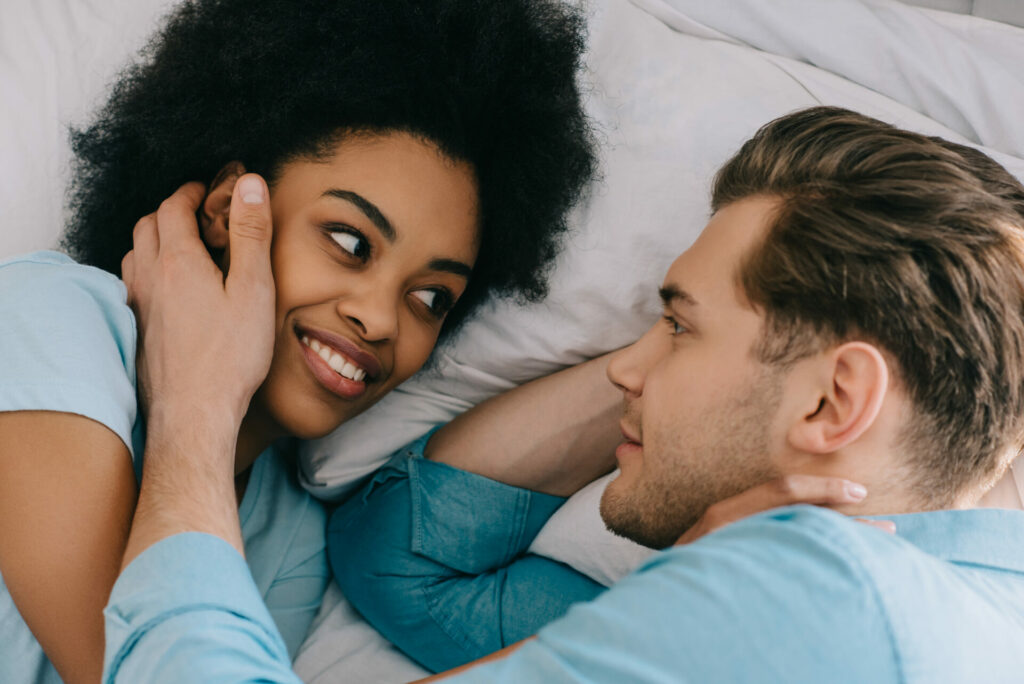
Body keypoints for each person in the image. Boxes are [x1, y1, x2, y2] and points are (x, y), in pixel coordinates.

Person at [102, 106, 1024, 682]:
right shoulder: (982, 597)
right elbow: (396, 565)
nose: (625, 366)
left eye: (679, 325)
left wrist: (193, 405)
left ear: (833, 403)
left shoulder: (814, 591)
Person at [0, 1, 595, 682]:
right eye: (350, 242)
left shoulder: (291, 535)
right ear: (231, 212)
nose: (381, 320)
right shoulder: (51, 317)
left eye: (431, 298)